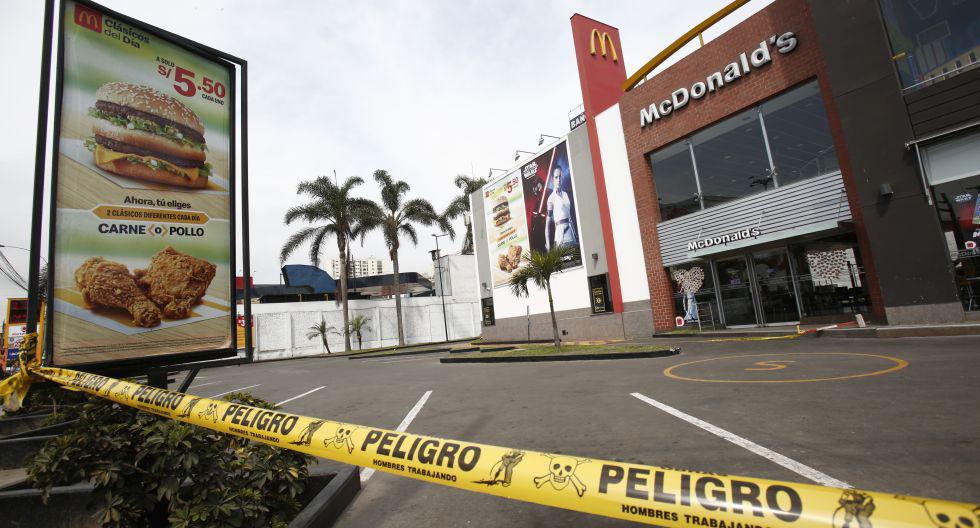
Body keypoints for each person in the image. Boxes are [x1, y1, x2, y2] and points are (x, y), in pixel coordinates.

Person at [545, 167, 578, 252]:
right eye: (556, 177)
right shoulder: (551, 198)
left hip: (571, 234)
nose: (558, 179)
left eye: (560, 176)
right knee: (565, 262)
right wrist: (548, 244)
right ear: (553, 179)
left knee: (576, 260)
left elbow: (569, 216)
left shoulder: (566, 194)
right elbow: (548, 223)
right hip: (560, 235)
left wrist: (575, 234)